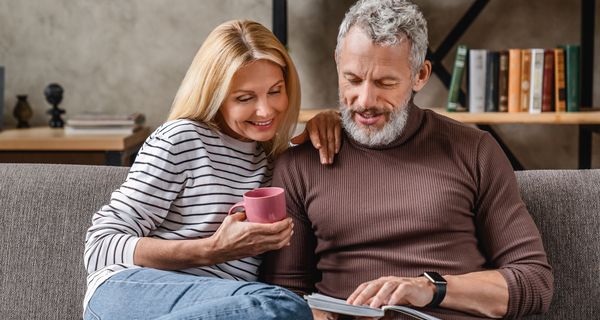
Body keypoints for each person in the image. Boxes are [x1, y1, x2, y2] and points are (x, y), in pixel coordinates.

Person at [259, 1, 554, 319]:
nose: (365, 101)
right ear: (337, 63)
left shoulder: (474, 150)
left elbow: (533, 283)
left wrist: (430, 289)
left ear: (420, 75)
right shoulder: (301, 164)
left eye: (385, 83)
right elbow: (284, 293)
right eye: (353, 80)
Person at [83, 20, 341, 320]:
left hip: (220, 307)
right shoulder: (181, 139)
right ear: (216, 96)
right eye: (245, 98)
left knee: (289, 308)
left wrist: (332, 120)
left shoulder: (275, 162)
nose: (266, 110)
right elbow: (100, 245)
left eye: (275, 91)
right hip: (126, 293)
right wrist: (212, 249)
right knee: (282, 306)